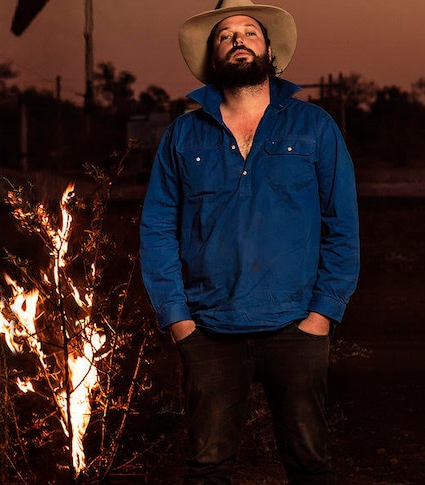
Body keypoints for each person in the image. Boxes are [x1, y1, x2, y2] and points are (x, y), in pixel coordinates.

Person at [140, 1, 359, 483]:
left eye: (249, 32)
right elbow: (157, 230)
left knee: (309, 464)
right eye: (225, 35)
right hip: (210, 329)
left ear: (270, 50)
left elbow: (341, 225)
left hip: (296, 325)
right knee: (208, 467)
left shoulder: (314, 127)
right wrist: (178, 321)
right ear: (212, 57)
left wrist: (323, 314)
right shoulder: (183, 135)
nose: (238, 40)